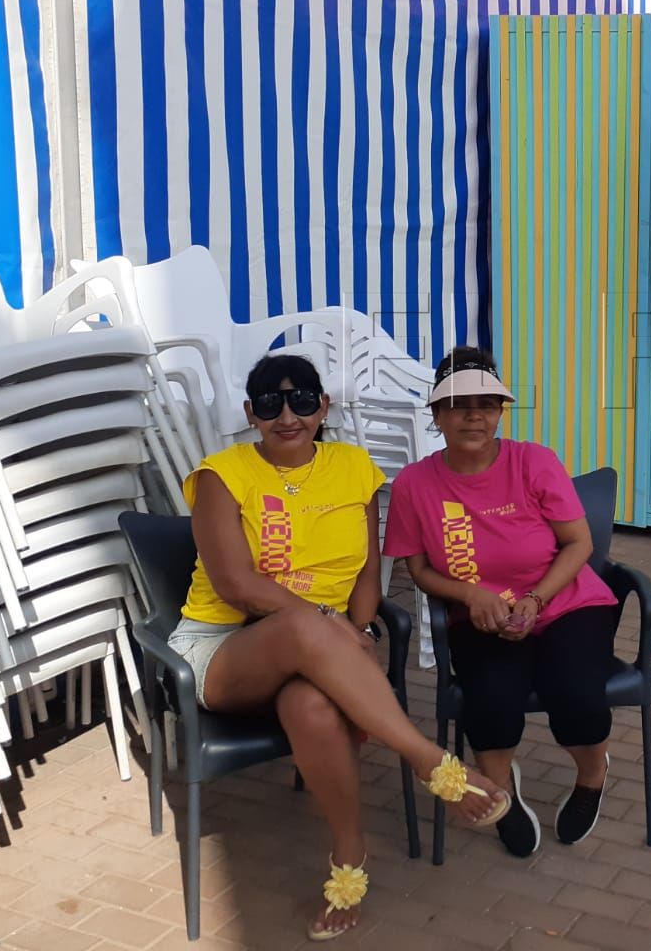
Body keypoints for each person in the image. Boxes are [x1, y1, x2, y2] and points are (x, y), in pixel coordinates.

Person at [167, 353, 506, 942]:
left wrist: (361, 627)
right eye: (271, 403)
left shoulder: (354, 468)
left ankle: (349, 857)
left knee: (314, 706)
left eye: (302, 401)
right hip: (226, 650)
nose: (288, 415)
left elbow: (369, 575)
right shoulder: (221, 475)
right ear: (251, 414)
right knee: (305, 629)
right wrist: (334, 628)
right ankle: (429, 760)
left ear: (323, 408)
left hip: (321, 646)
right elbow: (237, 586)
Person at [385, 347, 619, 859]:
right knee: (490, 699)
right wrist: (470, 594)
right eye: (459, 403)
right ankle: (500, 791)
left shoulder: (534, 461)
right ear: (437, 414)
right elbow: (417, 569)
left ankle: (593, 774)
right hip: (480, 615)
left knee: (574, 693)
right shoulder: (414, 485)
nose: (474, 414)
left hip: (566, 603)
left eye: (487, 403)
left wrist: (535, 599)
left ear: (499, 412)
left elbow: (579, 544)